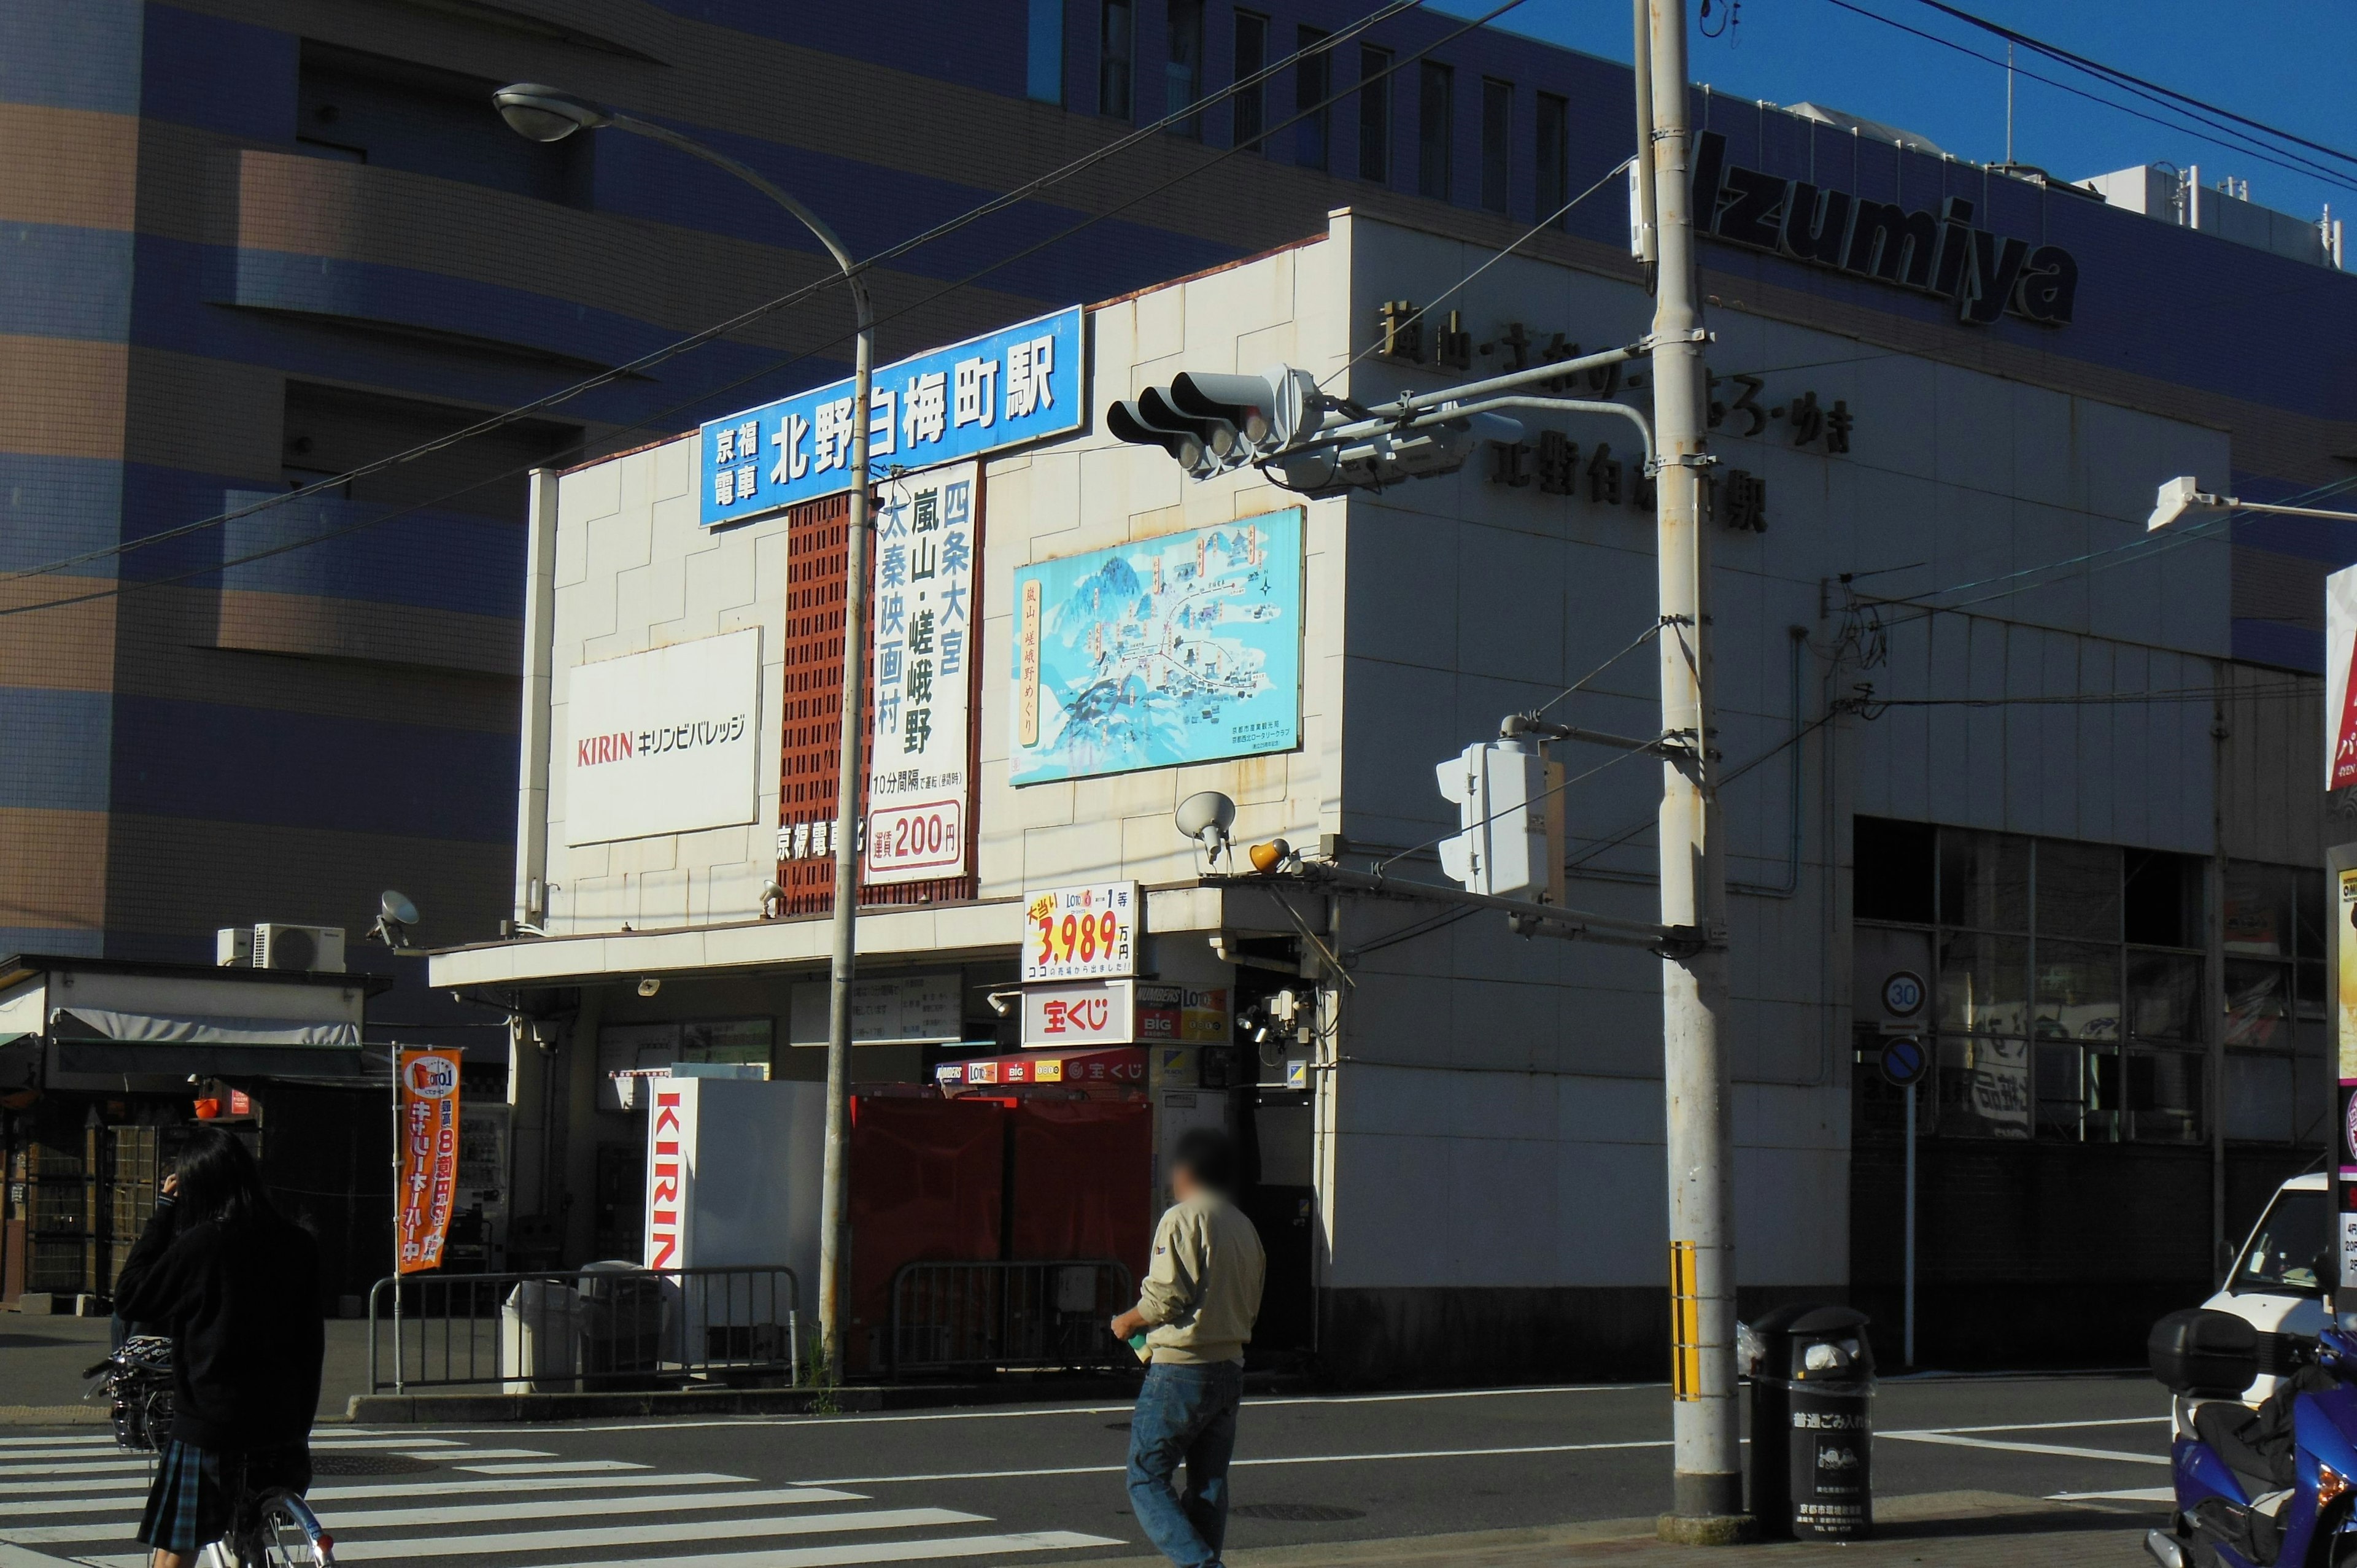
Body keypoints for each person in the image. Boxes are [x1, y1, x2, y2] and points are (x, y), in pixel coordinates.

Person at [112, 1125, 324, 1568]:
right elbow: (312, 1347)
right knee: (252, 1529)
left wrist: (164, 1210)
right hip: (283, 1429)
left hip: (212, 1425)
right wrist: (299, 1426)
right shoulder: (299, 1244)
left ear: (196, 1187)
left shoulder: (204, 1243)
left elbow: (132, 1295)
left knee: (176, 1545)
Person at [1111, 1127, 1266, 1568]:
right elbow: (1252, 1302)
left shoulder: (1182, 1218)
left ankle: (1202, 1565)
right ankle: (1206, 1558)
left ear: (1189, 1171)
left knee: (1145, 1475)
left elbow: (1164, 1297)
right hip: (1230, 1364)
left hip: (1181, 1367)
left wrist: (1126, 1321)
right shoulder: (1243, 1225)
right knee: (1209, 1481)